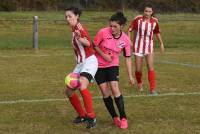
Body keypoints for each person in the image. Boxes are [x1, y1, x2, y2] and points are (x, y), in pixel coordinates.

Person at [93, 11, 134, 129]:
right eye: (110, 25)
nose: (112, 28)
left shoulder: (125, 39)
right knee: (105, 92)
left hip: (112, 65)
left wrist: (130, 76)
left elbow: (127, 58)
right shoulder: (102, 32)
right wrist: (103, 55)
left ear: (121, 26)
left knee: (115, 87)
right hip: (98, 66)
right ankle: (114, 117)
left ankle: (123, 117)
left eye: (115, 26)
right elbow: (94, 45)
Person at [64, 6, 98, 129]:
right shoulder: (73, 29)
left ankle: (91, 117)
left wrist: (79, 37)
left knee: (82, 84)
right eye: (66, 17)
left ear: (77, 16)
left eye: (70, 16)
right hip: (80, 64)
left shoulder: (79, 28)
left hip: (89, 61)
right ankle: (82, 115)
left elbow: (88, 43)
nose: (68, 19)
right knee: (68, 91)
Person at [128, 3, 164, 95]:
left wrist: (161, 43)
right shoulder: (137, 19)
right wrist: (129, 41)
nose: (147, 13)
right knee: (138, 70)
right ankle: (140, 83)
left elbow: (157, 32)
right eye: (146, 11)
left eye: (149, 11)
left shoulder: (155, 21)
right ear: (143, 11)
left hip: (149, 47)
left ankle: (152, 89)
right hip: (137, 47)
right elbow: (129, 30)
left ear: (152, 12)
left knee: (150, 67)